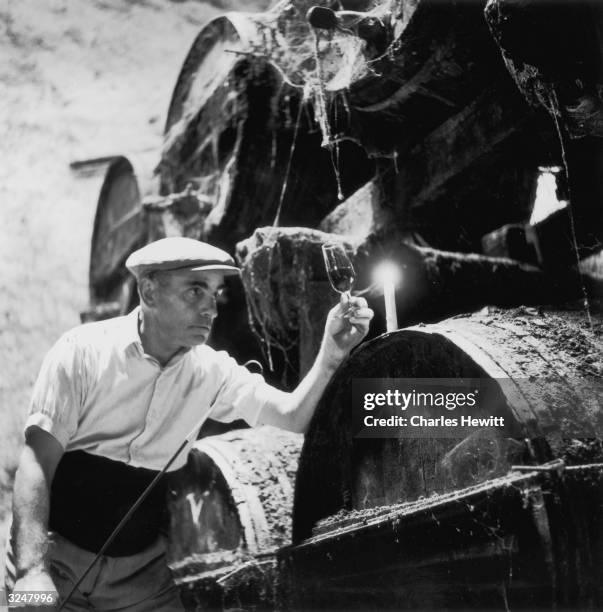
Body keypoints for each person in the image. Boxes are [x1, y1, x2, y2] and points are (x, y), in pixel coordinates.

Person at [7, 237, 373, 610]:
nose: (210, 309)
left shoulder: (213, 372)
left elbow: (293, 417)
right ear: (148, 291)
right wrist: (31, 573)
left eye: (215, 294)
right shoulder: (82, 352)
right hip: (54, 559)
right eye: (195, 291)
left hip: (139, 576)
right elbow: (36, 462)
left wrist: (331, 355)